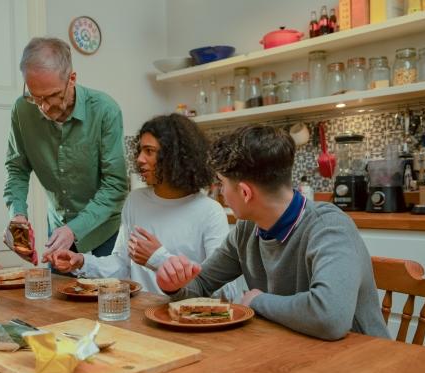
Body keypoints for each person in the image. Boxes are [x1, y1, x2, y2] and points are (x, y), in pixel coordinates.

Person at [156, 125, 389, 340]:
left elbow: (330, 318)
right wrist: (174, 285)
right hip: (293, 352)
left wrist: (258, 300)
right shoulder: (247, 230)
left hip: (364, 365)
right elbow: (201, 284)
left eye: (222, 184)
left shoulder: (329, 227)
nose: (221, 192)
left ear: (245, 193)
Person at [49, 114, 240, 301]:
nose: (139, 159)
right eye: (140, 151)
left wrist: (158, 258)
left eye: (149, 151)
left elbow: (225, 291)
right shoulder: (135, 201)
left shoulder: (209, 211)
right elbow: (123, 265)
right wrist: (82, 261)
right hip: (141, 317)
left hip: (188, 322)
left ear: (174, 156)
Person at [4, 37, 128, 263]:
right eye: (35, 96)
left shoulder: (105, 110)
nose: (43, 107)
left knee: (107, 296)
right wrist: (17, 216)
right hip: (59, 233)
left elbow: (116, 185)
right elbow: (17, 169)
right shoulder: (22, 110)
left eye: (52, 96)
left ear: (72, 79)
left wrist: (75, 229)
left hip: (105, 233)